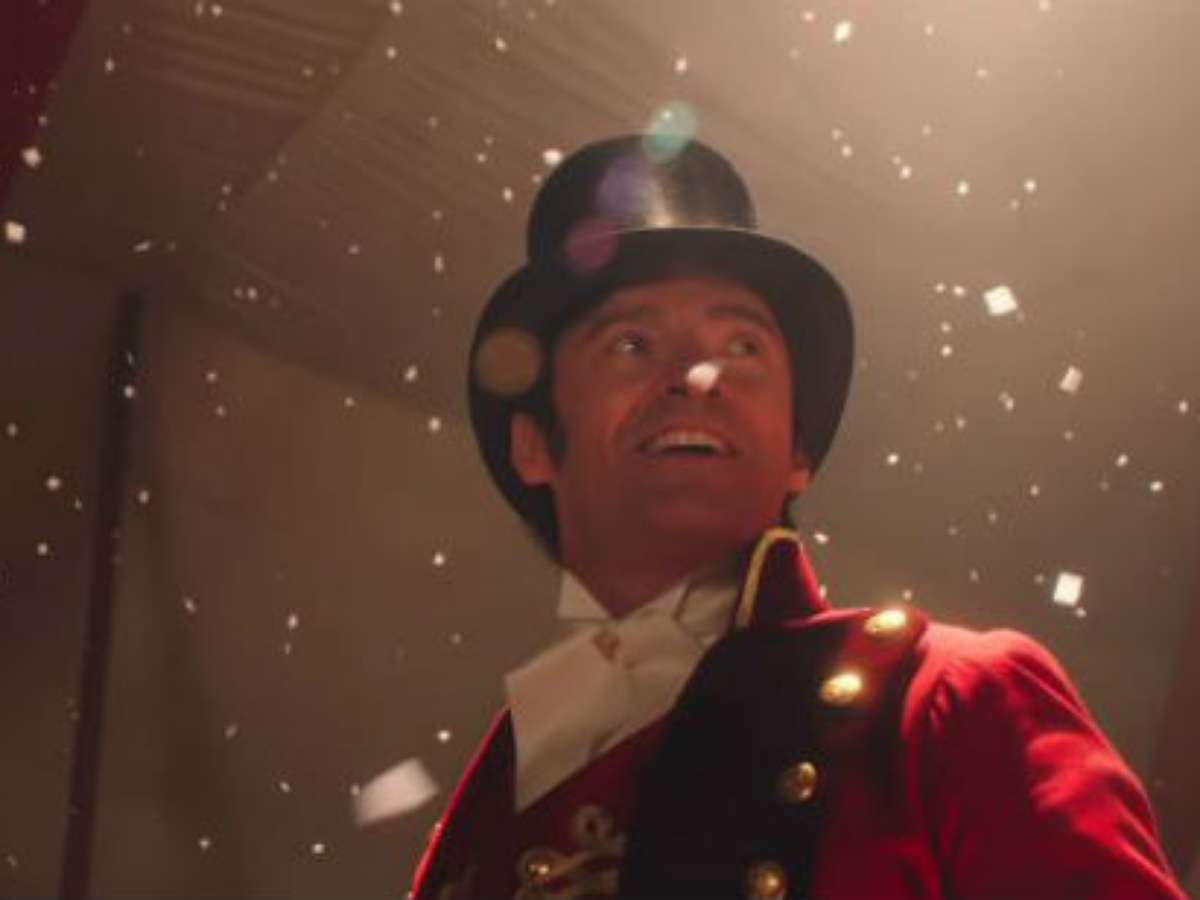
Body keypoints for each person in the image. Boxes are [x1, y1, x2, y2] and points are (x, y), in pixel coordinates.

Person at [408, 135, 1184, 898]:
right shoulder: (489, 800)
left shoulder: (946, 702)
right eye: (632, 342)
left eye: (743, 344)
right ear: (533, 443)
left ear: (797, 454)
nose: (698, 376)